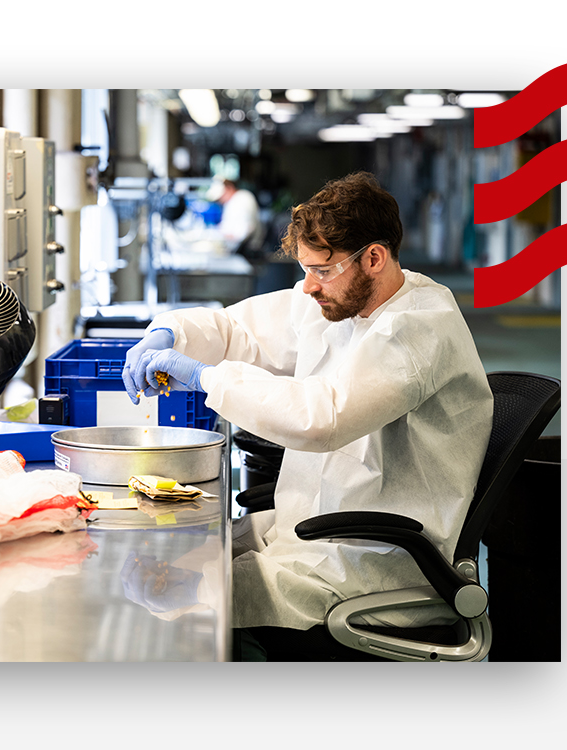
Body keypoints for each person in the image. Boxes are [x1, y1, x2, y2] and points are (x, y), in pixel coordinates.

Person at [119, 171, 493, 652]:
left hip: (376, 558)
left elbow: (322, 418)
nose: (309, 287)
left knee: (193, 602)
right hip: (314, 527)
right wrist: (170, 333)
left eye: (322, 269)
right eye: (305, 270)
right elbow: (239, 330)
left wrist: (204, 376)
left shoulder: (416, 329)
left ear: (374, 258)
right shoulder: (337, 299)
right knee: (181, 555)